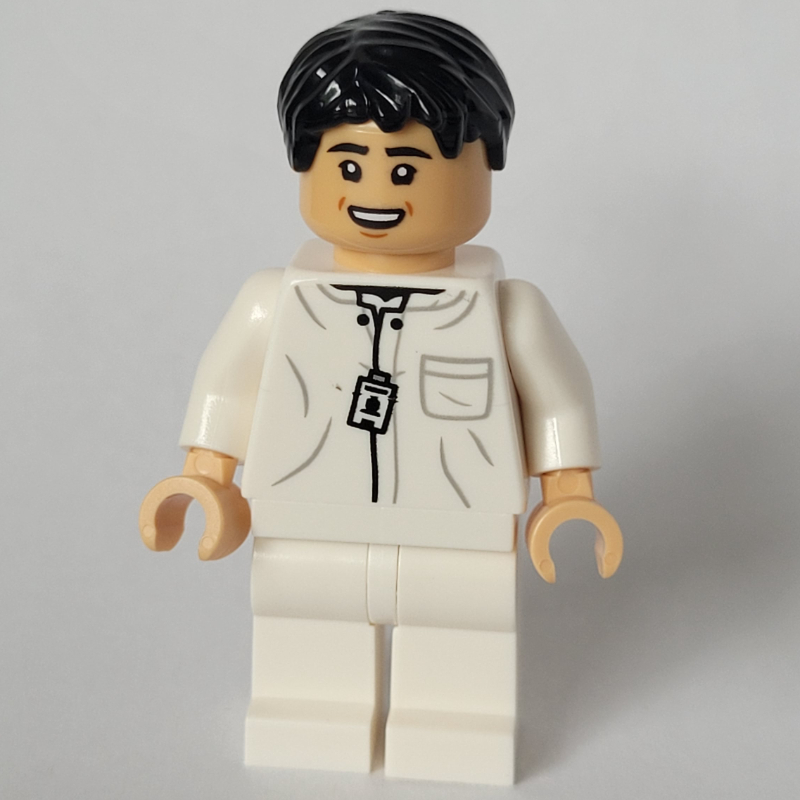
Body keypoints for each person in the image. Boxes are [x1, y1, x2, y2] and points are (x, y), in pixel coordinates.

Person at [140, 11, 623, 786]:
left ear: (484, 165)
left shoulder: (509, 311)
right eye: (347, 164)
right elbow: (227, 390)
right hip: (304, 512)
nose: (375, 193)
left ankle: (456, 725)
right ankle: (310, 715)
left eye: (406, 169)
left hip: (459, 517)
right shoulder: (272, 300)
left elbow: (558, 403)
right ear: (304, 166)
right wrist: (205, 477)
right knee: (305, 620)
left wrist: (567, 493)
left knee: (461, 626)